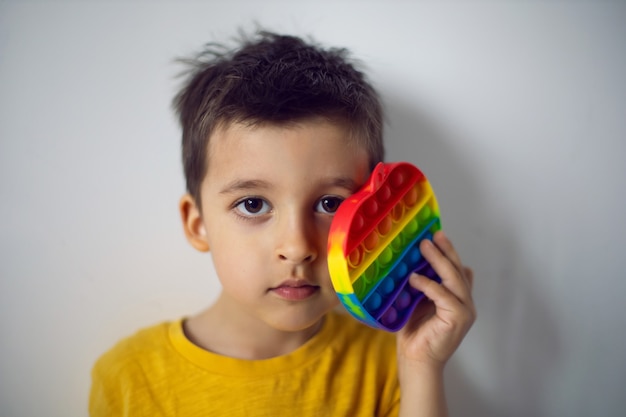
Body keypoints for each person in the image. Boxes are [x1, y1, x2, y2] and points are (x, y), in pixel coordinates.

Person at [89, 30, 476, 417]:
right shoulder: (130, 377)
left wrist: (422, 367)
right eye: (253, 204)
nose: (296, 246)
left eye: (329, 203)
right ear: (197, 224)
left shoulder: (389, 362)